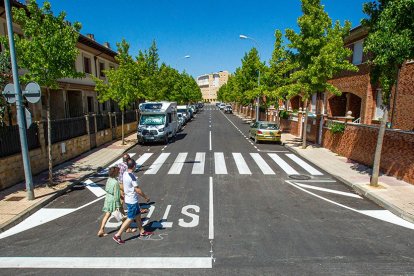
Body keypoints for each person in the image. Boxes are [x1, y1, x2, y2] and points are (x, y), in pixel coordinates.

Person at [113, 158, 152, 244]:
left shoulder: (125, 173)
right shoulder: (132, 177)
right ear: (134, 166)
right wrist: (146, 197)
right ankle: (117, 235)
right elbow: (137, 190)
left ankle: (142, 231)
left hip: (129, 198)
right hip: (132, 200)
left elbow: (123, 184)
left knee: (138, 215)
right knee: (130, 218)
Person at [97, 166, 122, 237]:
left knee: (107, 214)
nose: (119, 173)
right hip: (113, 200)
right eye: (118, 172)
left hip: (108, 198)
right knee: (120, 214)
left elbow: (107, 189)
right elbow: (117, 195)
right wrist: (118, 205)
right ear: (115, 173)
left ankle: (101, 229)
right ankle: (127, 228)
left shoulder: (109, 179)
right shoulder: (115, 182)